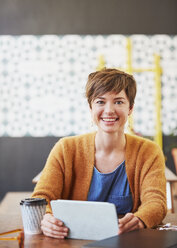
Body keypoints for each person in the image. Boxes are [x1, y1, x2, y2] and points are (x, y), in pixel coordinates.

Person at [32, 68, 167, 239]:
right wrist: (47, 217)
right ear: (90, 106)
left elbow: (156, 202)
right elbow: (41, 197)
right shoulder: (66, 148)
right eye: (100, 102)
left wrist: (140, 219)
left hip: (127, 240)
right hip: (71, 240)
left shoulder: (149, 151)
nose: (109, 110)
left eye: (118, 102)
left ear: (130, 108)